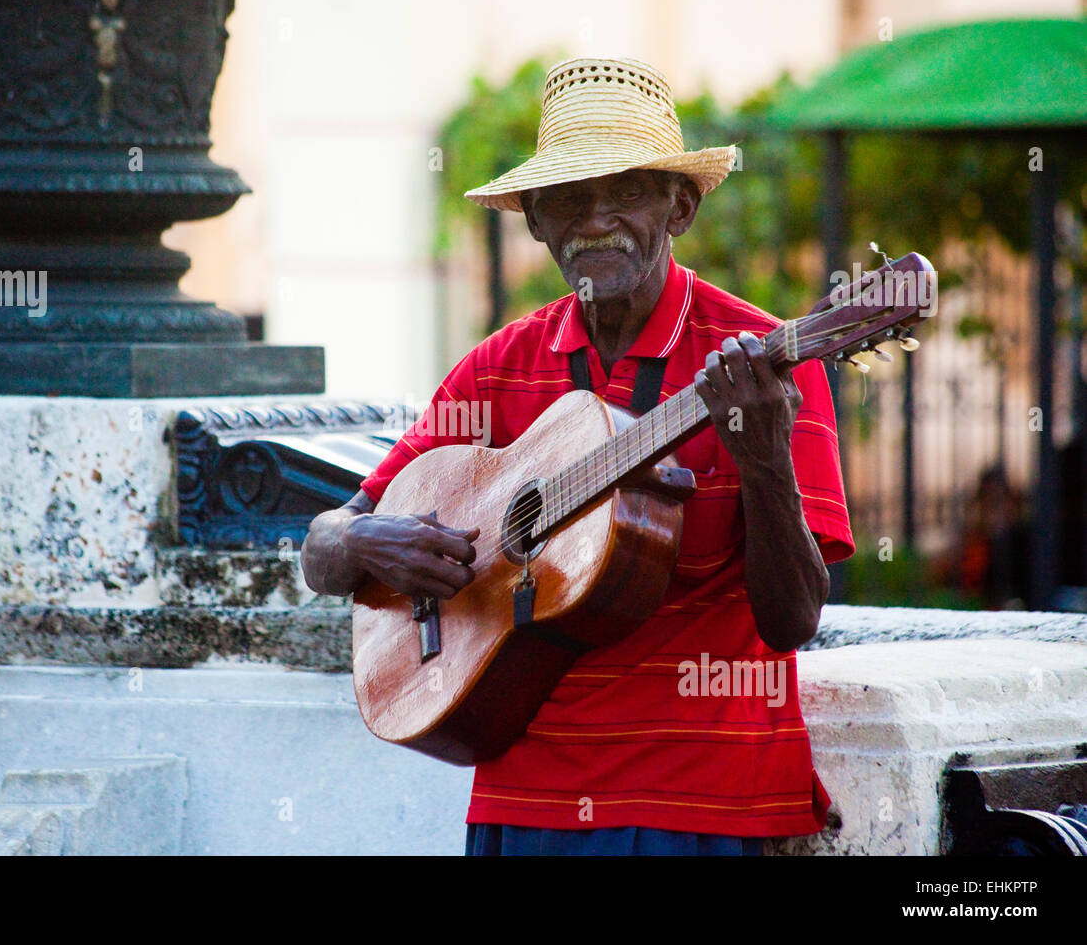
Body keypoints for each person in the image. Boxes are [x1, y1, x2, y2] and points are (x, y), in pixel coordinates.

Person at [301, 57, 855, 856]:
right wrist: (361, 541)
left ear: (682, 206)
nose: (596, 219)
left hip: (703, 804)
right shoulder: (496, 368)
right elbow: (321, 550)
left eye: (627, 190)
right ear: (533, 219)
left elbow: (792, 621)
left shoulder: (766, 364)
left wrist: (764, 461)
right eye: (567, 197)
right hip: (519, 798)